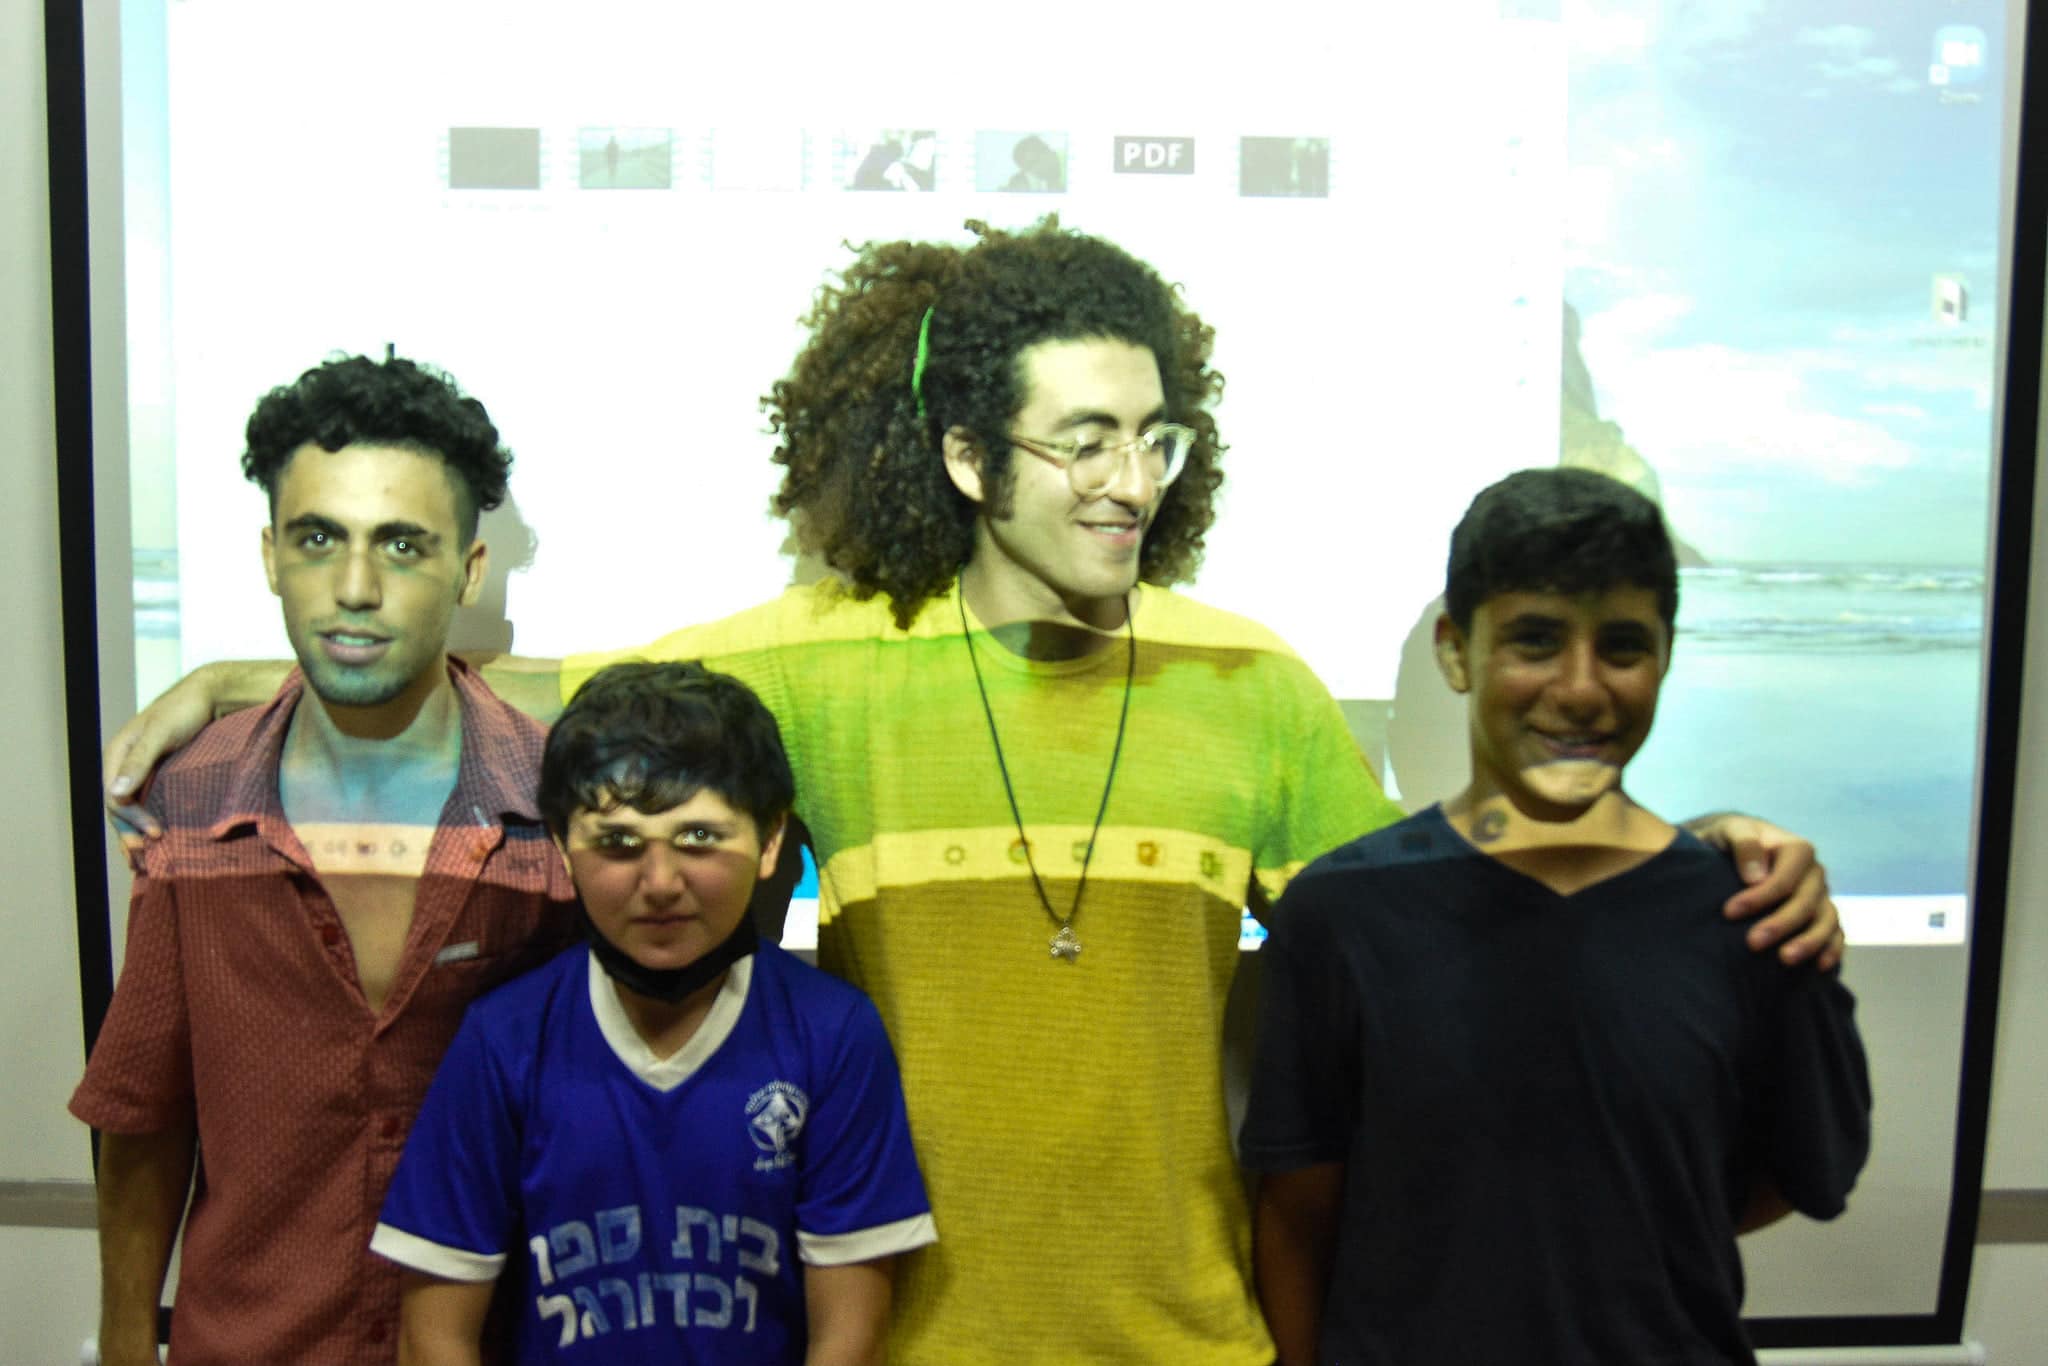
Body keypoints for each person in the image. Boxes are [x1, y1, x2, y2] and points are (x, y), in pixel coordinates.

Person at [101, 221, 1842, 1365]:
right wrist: (253, 672)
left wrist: (1692, 851)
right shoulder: (814, 664)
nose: (1128, 479)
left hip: (1194, 1345)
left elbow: (1454, 925)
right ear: (962, 454)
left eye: (1154, 436)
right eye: (1082, 438)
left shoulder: (1250, 681)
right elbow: (539, 705)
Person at [1240, 468, 1872, 1366]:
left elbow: (1779, 1177)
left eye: (1622, 647)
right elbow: (1297, 1219)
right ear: (1457, 651)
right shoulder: (1344, 916)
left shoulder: (1755, 914)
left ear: (1666, 654)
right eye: (1535, 641)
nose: (1580, 690)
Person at [71, 357, 579, 1365]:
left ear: (469, 569)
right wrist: (128, 1337)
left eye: (402, 544)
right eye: (317, 539)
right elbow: (147, 1109)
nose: (355, 589)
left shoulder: (557, 809)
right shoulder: (192, 799)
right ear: (271, 554)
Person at [372, 662, 934, 1364]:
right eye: (618, 843)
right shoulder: (505, 1039)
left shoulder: (833, 1034)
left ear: (769, 842)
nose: (661, 882)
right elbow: (433, 1338)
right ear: (561, 846)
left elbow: (851, 1340)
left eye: (699, 839)